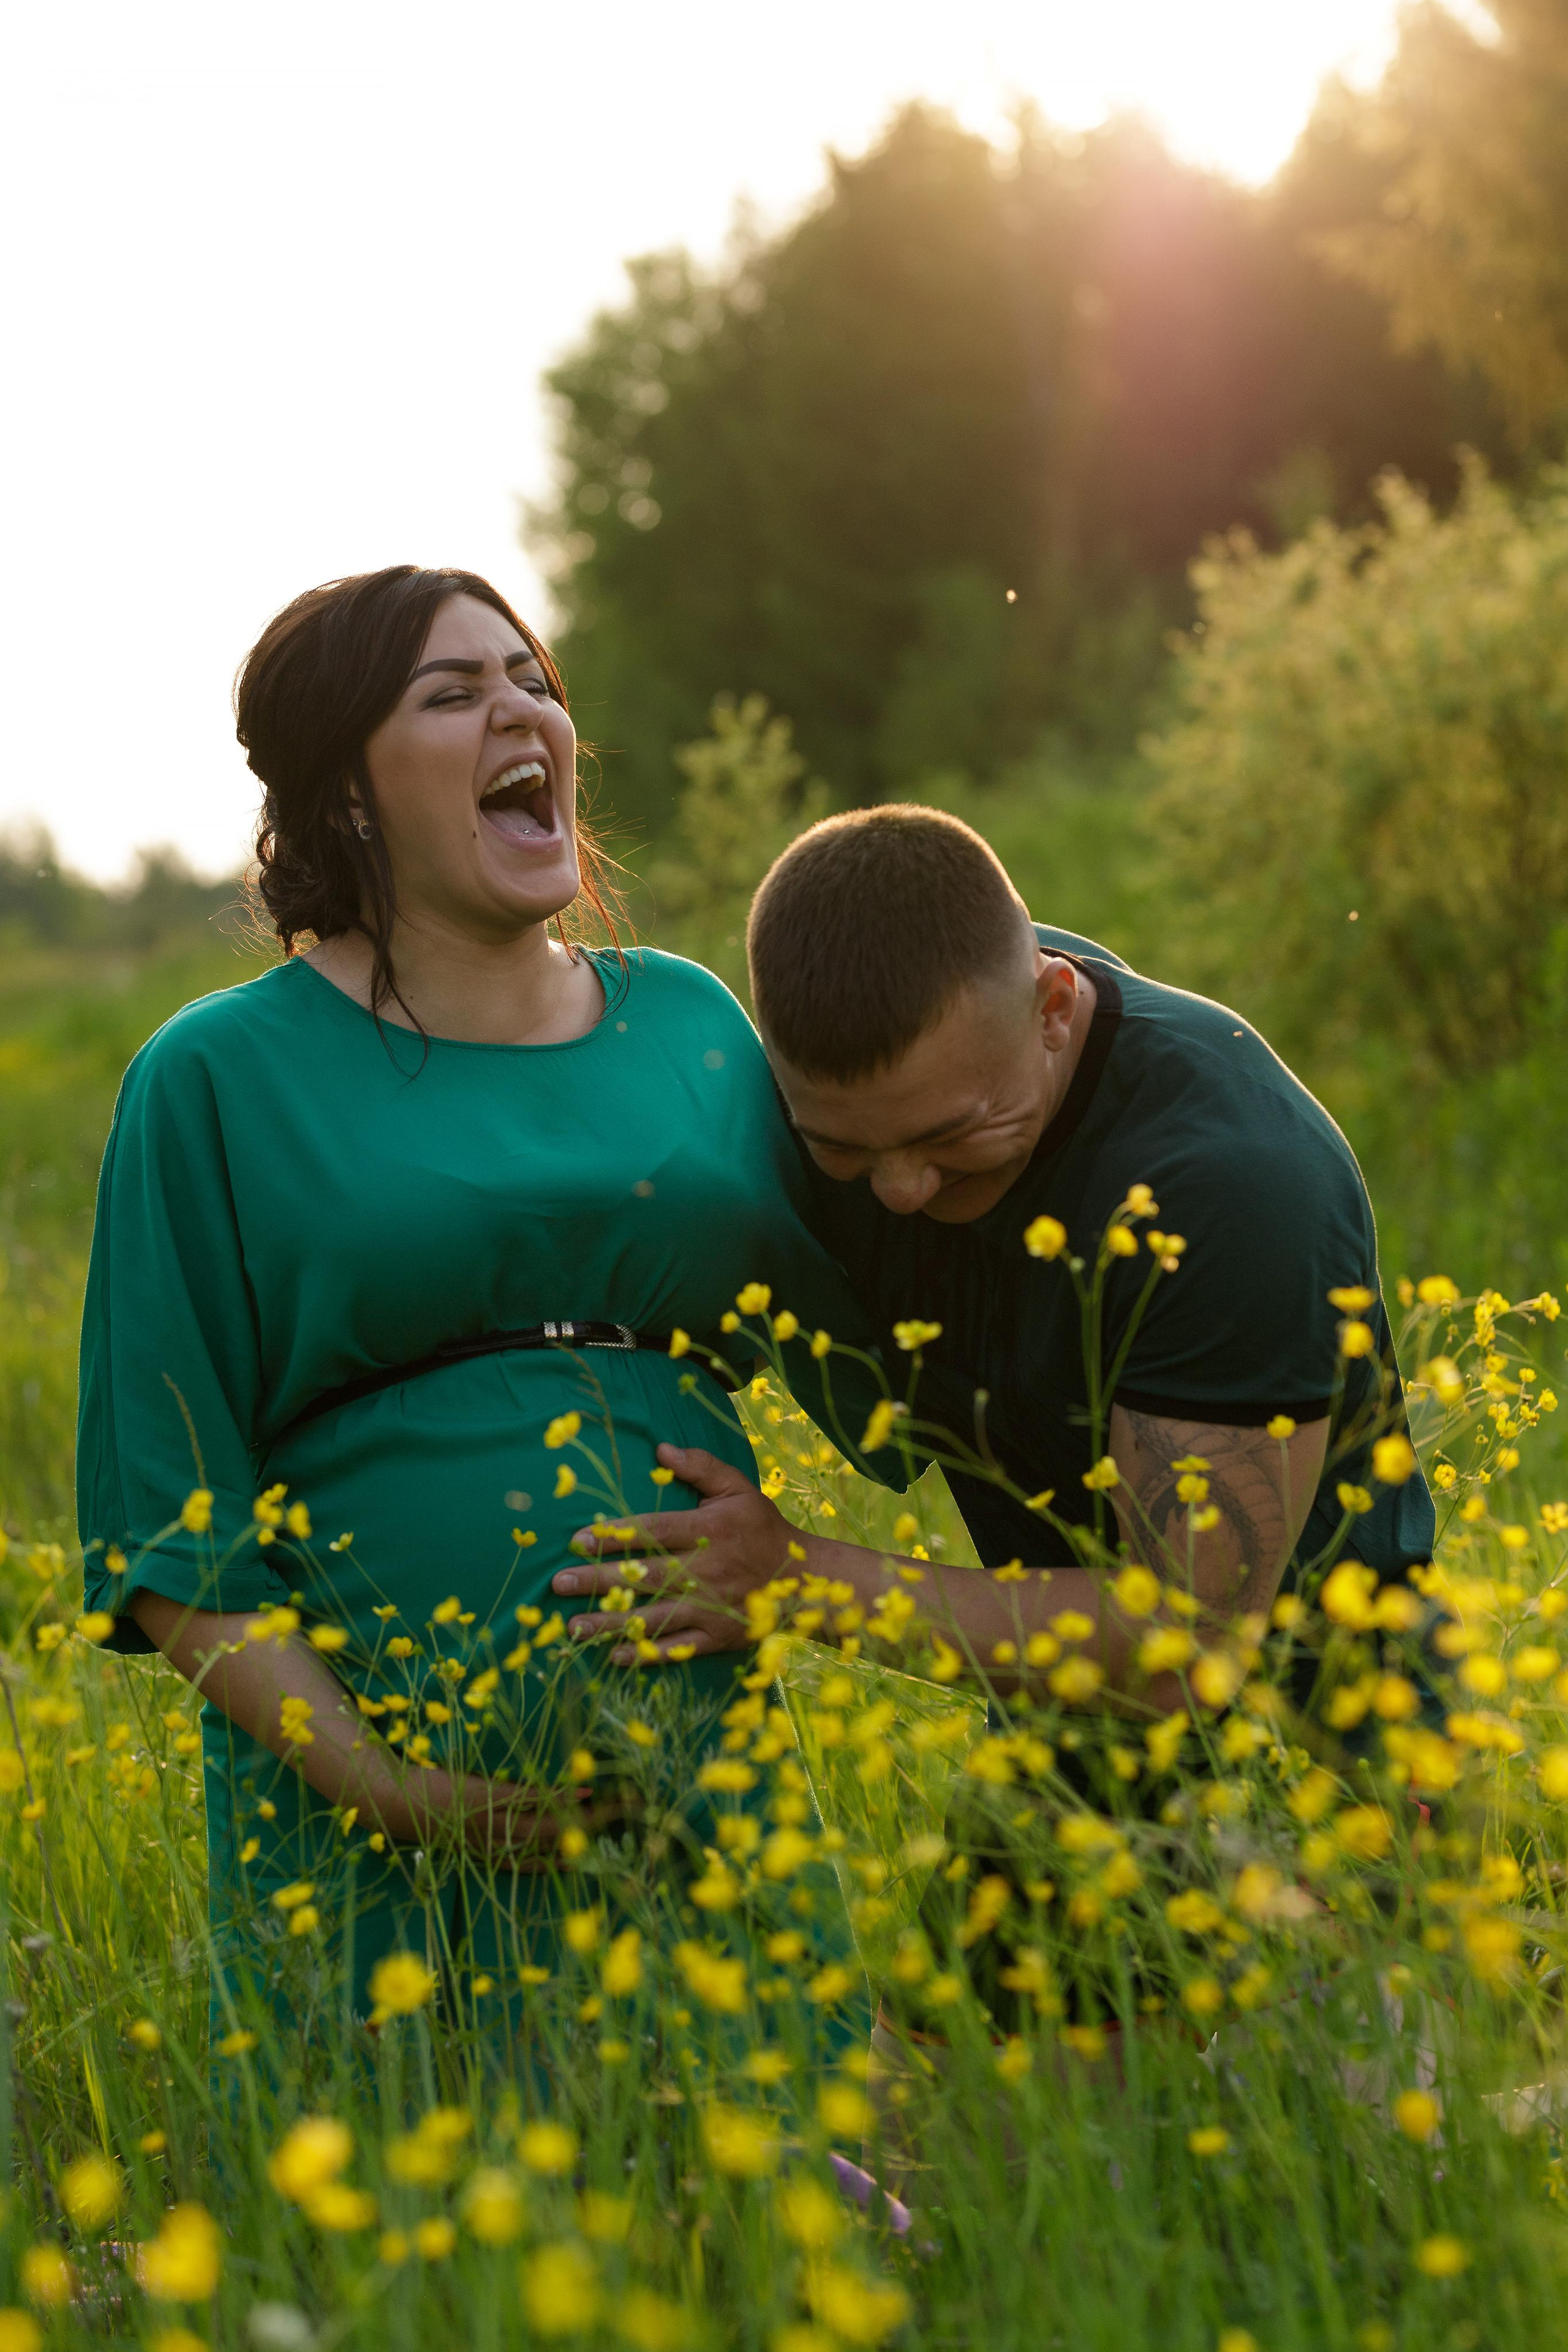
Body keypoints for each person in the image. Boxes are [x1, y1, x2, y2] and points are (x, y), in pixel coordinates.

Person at [76, 566, 886, 2053]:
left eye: (530, 681)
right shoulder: (213, 1080)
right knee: (423, 2252)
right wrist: (388, 1788)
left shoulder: (695, 1026)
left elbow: (904, 1360)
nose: (519, 709)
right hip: (369, 1829)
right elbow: (161, 1526)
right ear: (347, 798)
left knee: (780, 2226)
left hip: (700, 1774)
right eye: (450, 694)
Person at [552, 802, 1434, 1676]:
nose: (900, 1192)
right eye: (842, 1148)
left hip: (1341, 1742)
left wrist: (791, 1579)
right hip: (1056, 1728)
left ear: (1054, 1007)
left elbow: (1186, 1652)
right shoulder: (918, 1028)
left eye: (949, 1136)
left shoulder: (1233, 1189)